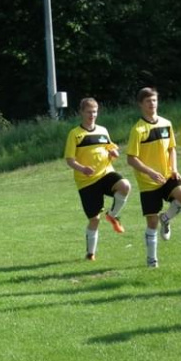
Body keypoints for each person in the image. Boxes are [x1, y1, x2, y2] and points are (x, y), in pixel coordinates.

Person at [127, 88, 181, 267]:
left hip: (167, 176)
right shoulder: (138, 130)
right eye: (148, 101)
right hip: (148, 182)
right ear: (141, 104)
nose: (152, 104)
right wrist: (150, 172)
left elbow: (171, 149)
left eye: (154, 100)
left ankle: (166, 218)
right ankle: (152, 260)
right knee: (152, 222)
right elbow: (131, 159)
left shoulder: (166, 123)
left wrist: (174, 169)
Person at [65, 97, 131, 261]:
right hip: (86, 182)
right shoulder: (75, 134)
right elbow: (69, 160)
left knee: (125, 185)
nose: (92, 115)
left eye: (94, 111)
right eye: (89, 112)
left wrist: (114, 153)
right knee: (94, 219)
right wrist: (83, 169)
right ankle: (90, 254)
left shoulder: (102, 130)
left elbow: (111, 147)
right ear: (81, 113)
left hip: (105, 174)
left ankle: (113, 215)